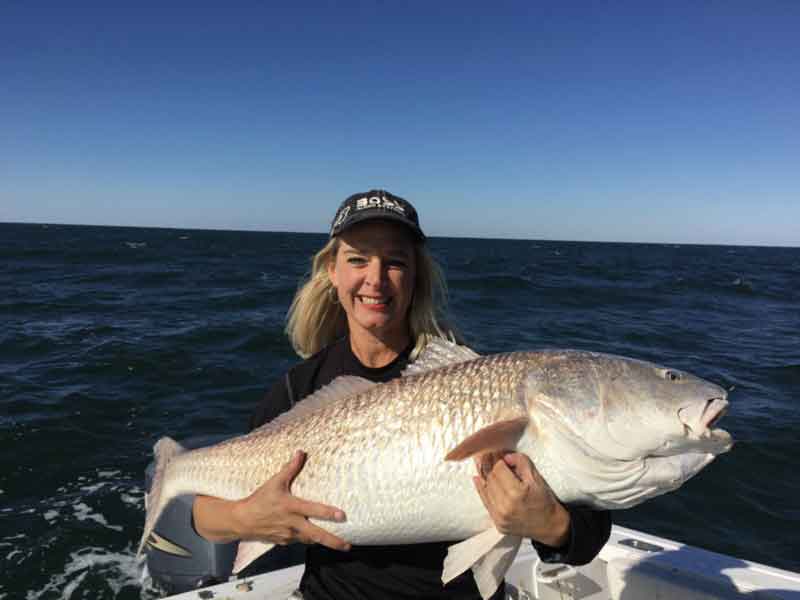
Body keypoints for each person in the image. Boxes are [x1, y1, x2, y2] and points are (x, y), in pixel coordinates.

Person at [192, 190, 612, 600]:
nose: (375, 279)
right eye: (358, 259)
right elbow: (203, 514)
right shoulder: (298, 388)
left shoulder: (473, 379)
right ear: (333, 271)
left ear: (415, 277)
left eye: (394, 262)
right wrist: (245, 518)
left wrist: (552, 524)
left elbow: (585, 533)